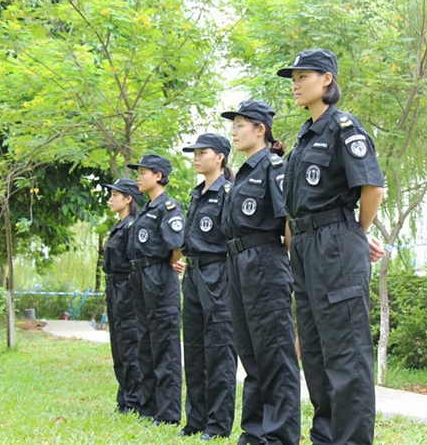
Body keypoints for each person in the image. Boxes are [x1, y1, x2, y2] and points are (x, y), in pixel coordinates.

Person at [276, 49, 386, 444]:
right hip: (305, 248)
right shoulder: (304, 139)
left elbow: (372, 188)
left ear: (326, 80)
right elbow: (294, 207)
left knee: (346, 354)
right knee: (316, 353)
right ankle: (325, 438)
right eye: (293, 78)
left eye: (303, 76)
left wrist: (355, 232)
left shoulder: (344, 128)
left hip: (336, 245)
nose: (295, 84)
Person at [220, 100, 301, 445]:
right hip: (238, 264)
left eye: (240, 125)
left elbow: (289, 222)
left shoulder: (273, 166)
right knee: (250, 355)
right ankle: (254, 434)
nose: (234, 132)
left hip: (265, 261)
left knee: (275, 356)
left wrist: (287, 267)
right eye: (233, 125)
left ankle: (280, 436)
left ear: (260, 129)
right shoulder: (242, 173)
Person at [175, 133, 237, 440]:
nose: (196, 157)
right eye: (195, 153)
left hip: (218, 273)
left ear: (220, 157)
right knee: (194, 349)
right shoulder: (197, 194)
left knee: (219, 350)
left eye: (203, 152)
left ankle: (217, 424)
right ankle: (195, 420)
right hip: (194, 275)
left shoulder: (228, 192)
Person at [126, 154, 185, 426]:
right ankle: (149, 408)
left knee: (165, 346)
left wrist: (166, 265)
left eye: (143, 173)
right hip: (141, 278)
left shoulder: (168, 207)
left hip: (159, 277)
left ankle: (168, 413)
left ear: (158, 176)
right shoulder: (146, 209)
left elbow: (177, 247)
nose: (138, 177)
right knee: (146, 344)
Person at [102, 178, 144, 415]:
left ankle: (134, 401)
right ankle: (124, 398)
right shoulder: (120, 226)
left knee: (129, 345)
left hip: (127, 289)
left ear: (128, 199)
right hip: (114, 289)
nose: (110, 200)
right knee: (118, 345)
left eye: (115, 195)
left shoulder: (133, 227)